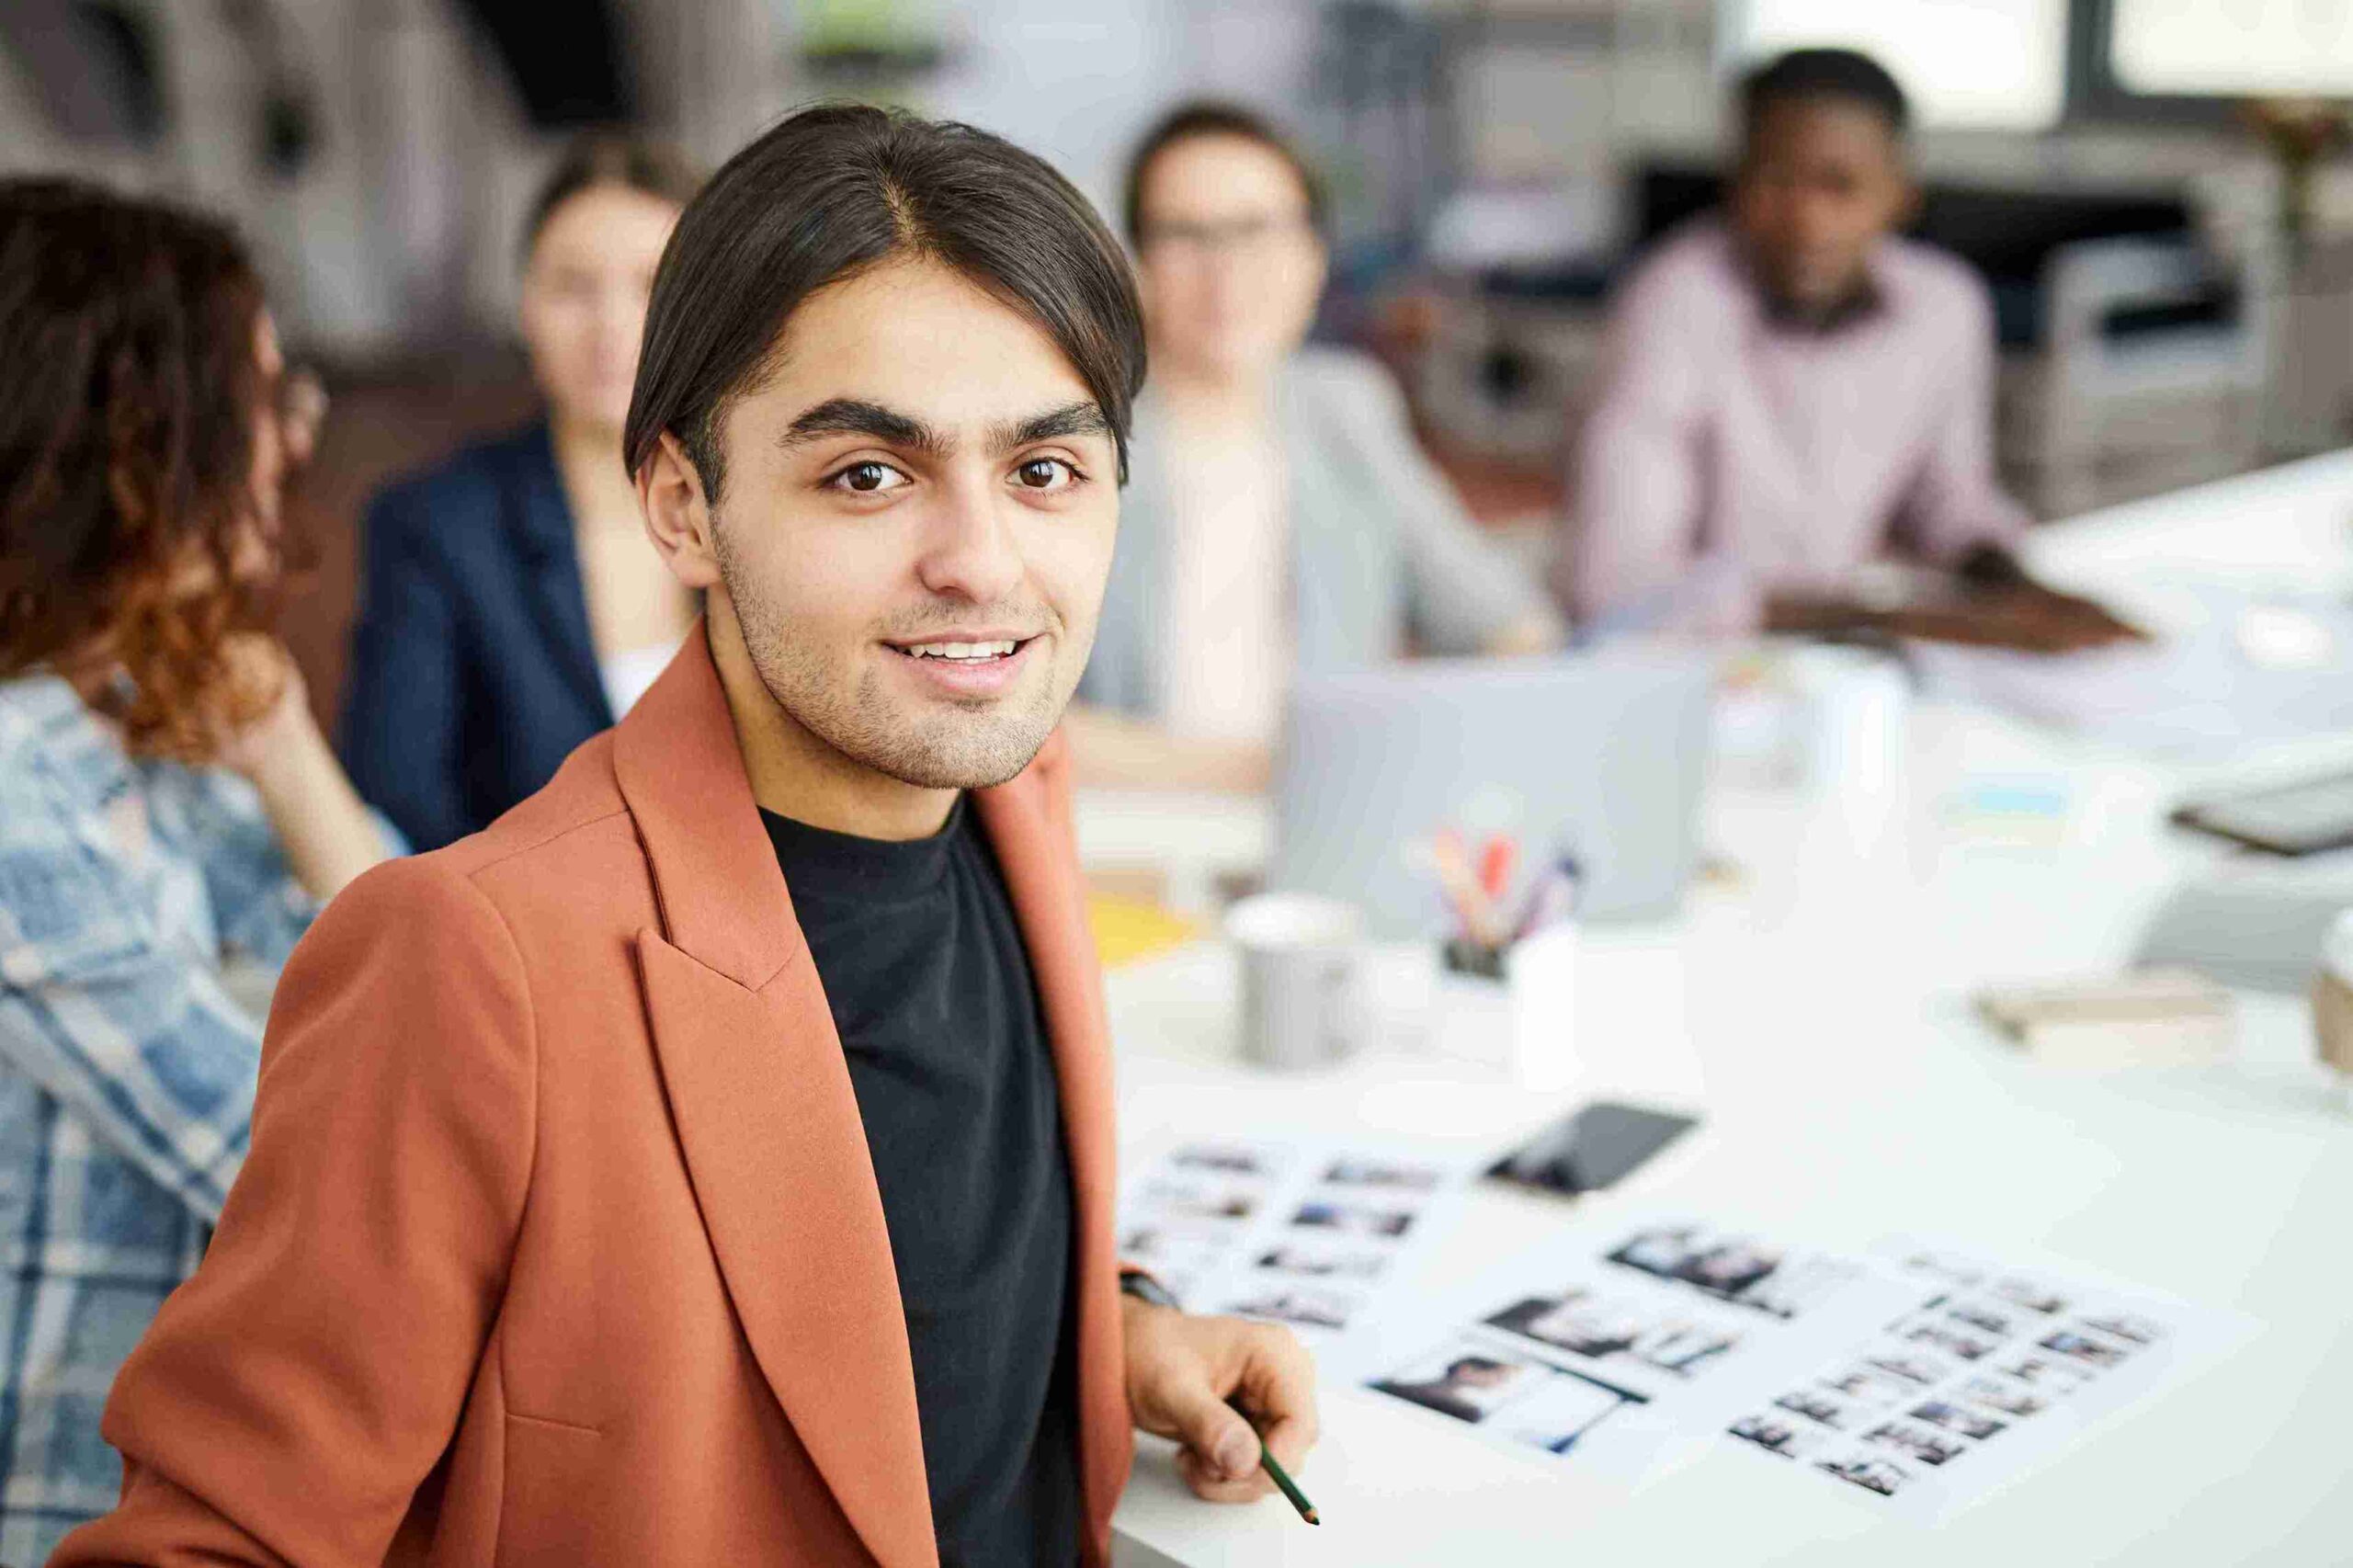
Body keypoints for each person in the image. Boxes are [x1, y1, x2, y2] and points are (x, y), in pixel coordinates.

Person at [52, 106, 1316, 1568]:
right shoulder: (470, 960)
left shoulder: (1012, 793)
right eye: (868, 474)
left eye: (1044, 471)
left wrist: (1114, 1322)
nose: (981, 561)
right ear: (683, 509)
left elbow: (905, 1227)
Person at [0, 179, 397, 1561]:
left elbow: (414, 968)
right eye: (259, 400)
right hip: (65, 1505)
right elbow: (310, 1179)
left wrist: (291, 755)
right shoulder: (12, 790)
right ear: (127, 434)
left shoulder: (127, 712)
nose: (290, 445)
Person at [1562, 49, 2138, 652]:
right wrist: (1910, 621)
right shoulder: (1673, 302)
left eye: (1841, 187)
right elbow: (1619, 584)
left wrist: (2014, 587)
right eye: (1777, 181)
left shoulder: (1944, 307)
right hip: (1683, 663)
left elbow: (1949, 498)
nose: (1808, 222)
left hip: (1836, 655)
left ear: (1900, 196)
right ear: (1734, 186)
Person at [1071, 102, 1560, 792]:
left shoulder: (1347, 408)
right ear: (1137, 263)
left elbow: (1506, 624)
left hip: (1331, 822)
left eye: (1258, 231)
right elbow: (1019, 724)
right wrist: (1262, 773)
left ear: (1314, 257)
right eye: (1186, 235)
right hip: (1135, 835)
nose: (1227, 271)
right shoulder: (1075, 436)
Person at [338, 133, 702, 851]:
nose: (612, 325)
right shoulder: (436, 526)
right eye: (572, 287)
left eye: (651, 285)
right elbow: (397, 805)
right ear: (525, 309)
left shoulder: (767, 513)